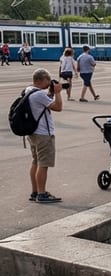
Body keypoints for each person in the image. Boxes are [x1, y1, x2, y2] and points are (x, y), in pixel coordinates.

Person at [24, 69, 64, 203]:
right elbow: (58, 107)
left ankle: (35, 191)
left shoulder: (28, 90)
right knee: (43, 164)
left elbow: (42, 103)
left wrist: (51, 92)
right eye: (48, 82)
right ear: (41, 81)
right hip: (43, 134)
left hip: (33, 133)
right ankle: (42, 194)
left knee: (36, 162)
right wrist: (57, 93)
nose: (48, 85)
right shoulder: (40, 94)